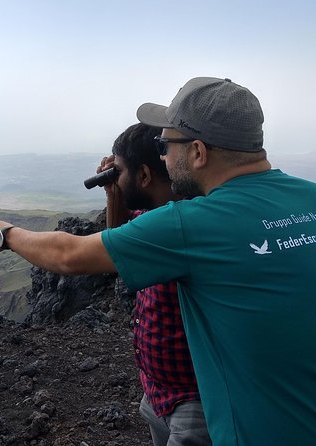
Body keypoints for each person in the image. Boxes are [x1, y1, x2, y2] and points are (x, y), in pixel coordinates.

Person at [0, 77, 316, 445]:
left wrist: (6, 234)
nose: (163, 158)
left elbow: (67, 254)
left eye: (167, 146)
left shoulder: (196, 224)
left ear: (198, 152)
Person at [100, 123, 211, 446]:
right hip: (159, 393)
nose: (114, 177)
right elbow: (120, 244)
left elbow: (76, 256)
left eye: (118, 171)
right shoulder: (154, 222)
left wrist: (7, 235)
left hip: (193, 401)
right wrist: (114, 192)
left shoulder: (180, 228)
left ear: (145, 176)